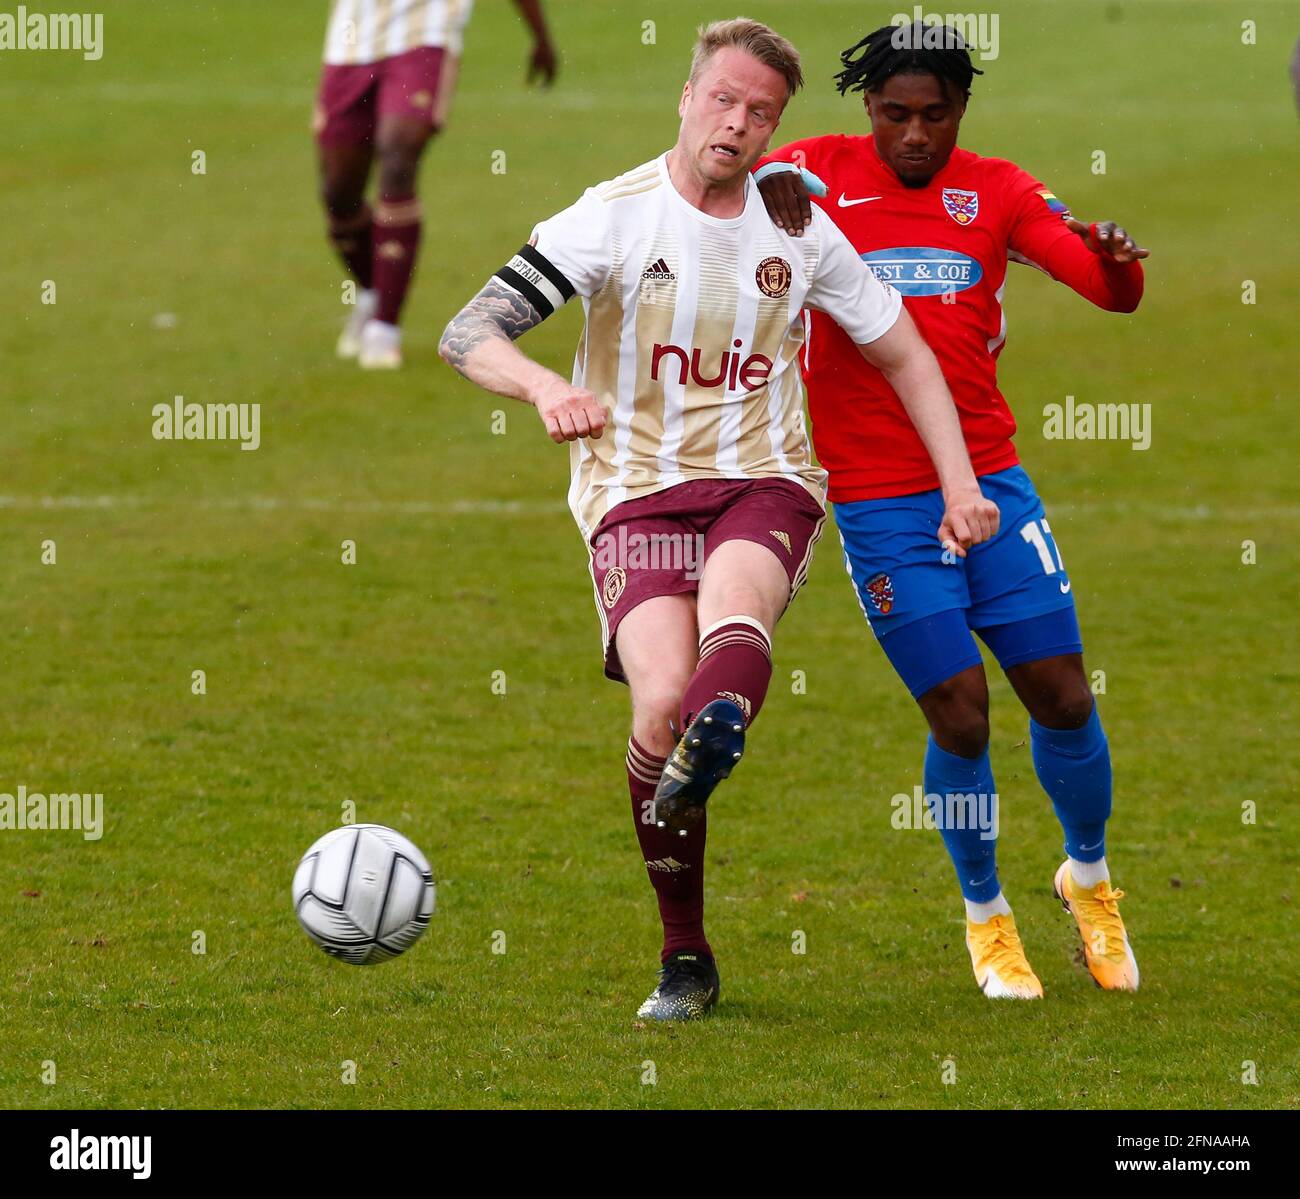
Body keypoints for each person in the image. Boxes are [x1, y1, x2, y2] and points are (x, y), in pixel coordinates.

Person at [438, 18, 998, 1020]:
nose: (737, 124)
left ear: (775, 128)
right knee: (658, 705)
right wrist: (536, 389)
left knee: (735, 610)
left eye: (761, 113)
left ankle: (722, 721)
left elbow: (903, 351)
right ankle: (685, 952)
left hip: (763, 478)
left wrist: (960, 486)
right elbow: (467, 330)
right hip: (632, 491)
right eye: (724, 100)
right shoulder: (608, 218)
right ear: (687, 96)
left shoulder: (796, 227)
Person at [755, 22, 1148, 998]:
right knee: (961, 714)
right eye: (895, 115)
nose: (915, 135)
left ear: (960, 112)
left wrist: (1115, 260)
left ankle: (1087, 878)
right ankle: (986, 915)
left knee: (1061, 695)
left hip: (991, 479)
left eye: (934, 115)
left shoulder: (1000, 190)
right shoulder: (811, 172)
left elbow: (1106, 290)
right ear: (867, 111)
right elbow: (719, 201)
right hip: (878, 496)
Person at [315, 0, 557, 368]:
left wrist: (540, 36)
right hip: (349, 45)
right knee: (338, 193)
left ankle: (385, 329)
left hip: (424, 35)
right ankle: (372, 291)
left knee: (398, 159)